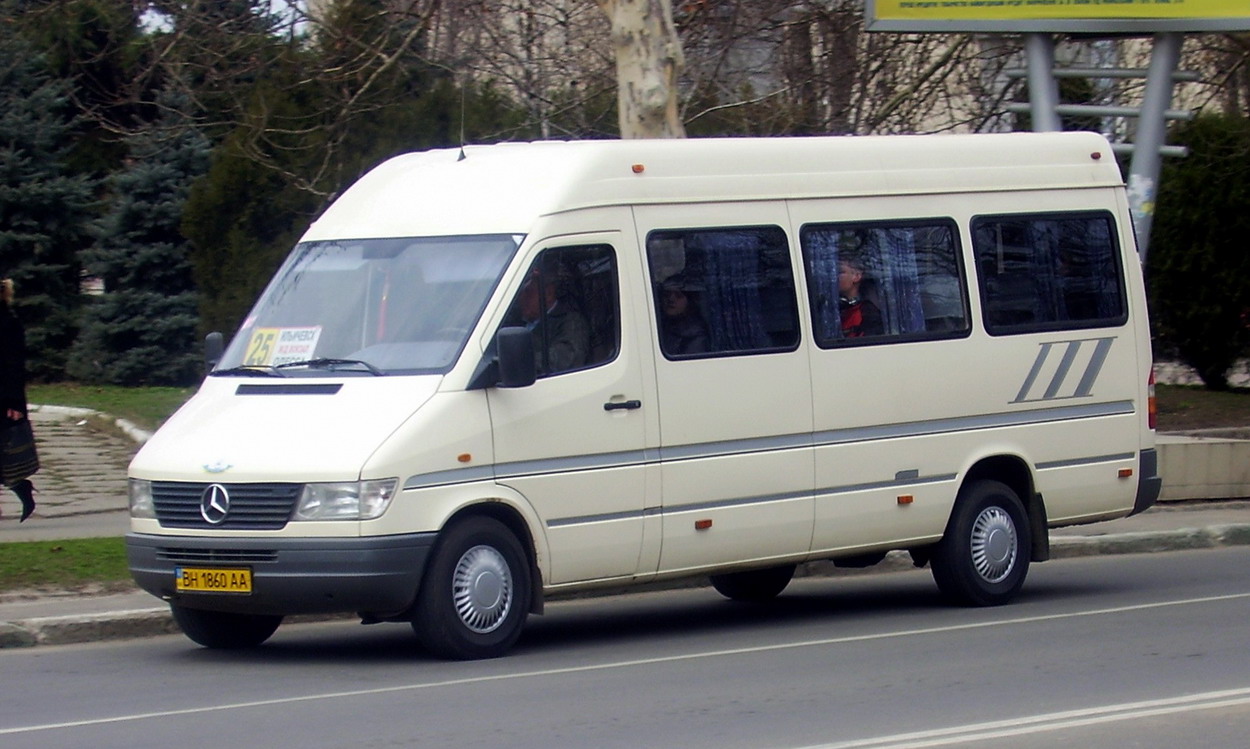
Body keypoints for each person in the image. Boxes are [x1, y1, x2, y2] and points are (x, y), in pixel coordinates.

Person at [0, 279, 36, 522]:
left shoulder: (8, 322)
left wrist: (14, 403)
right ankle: (20, 487)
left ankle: (20, 487)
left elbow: (14, 364)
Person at [517, 267, 590, 375]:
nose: (521, 299)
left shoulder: (570, 321)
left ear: (549, 294)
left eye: (528, 293)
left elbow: (566, 358)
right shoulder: (518, 321)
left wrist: (517, 361)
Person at [659, 274, 709, 356]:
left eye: (678, 296)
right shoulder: (659, 325)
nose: (671, 299)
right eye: (667, 294)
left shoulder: (695, 336)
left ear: (690, 301)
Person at [838, 255, 883, 338]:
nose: (834, 277)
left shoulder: (868, 313)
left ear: (857, 276)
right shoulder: (832, 310)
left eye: (840, 272)